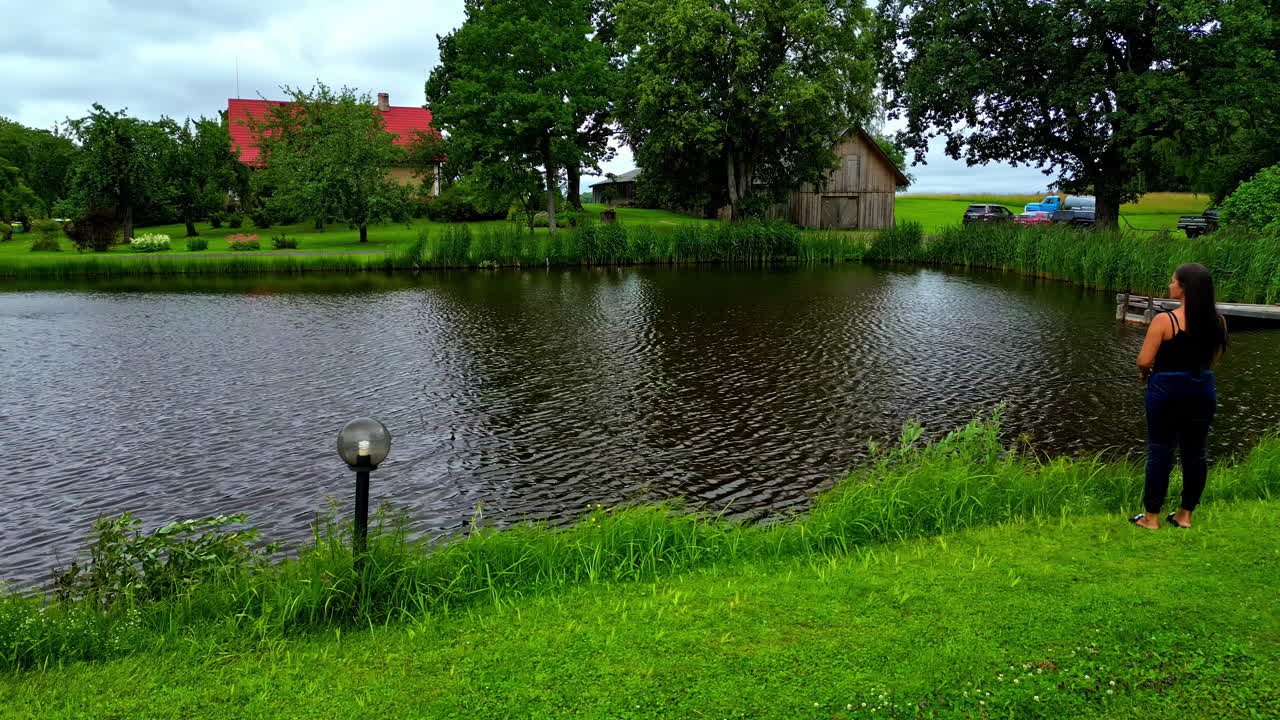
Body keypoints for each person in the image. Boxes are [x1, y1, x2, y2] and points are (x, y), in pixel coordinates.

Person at [1131, 263, 1228, 529]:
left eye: (1173, 282)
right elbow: (1212, 360)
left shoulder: (1166, 320)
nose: (1170, 285)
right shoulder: (1219, 321)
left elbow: (1144, 360)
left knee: (1161, 451)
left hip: (1166, 392)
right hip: (1202, 390)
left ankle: (1151, 517)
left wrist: (1145, 375)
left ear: (1184, 288)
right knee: (1195, 453)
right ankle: (1185, 515)